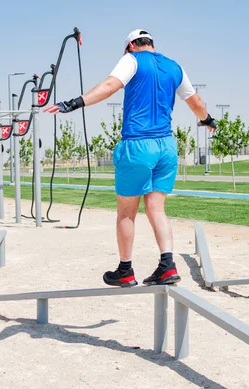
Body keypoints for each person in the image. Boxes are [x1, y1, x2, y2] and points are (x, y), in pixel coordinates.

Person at [44, 29, 217, 287]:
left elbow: (109, 86)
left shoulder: (132, 60)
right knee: (156, 208)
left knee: (126, 212)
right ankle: (167, 266)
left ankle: (125, 270)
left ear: (131, 46)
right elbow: (197, 102)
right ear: (152, 45)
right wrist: (207, 120)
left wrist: (73, 103)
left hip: (138, 145)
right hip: (167, 147)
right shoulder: (174, 67)